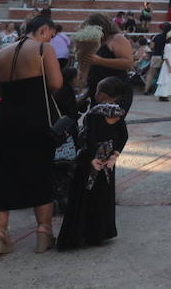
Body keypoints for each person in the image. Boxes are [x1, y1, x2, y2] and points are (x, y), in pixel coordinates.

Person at [0, 14, 63, 257]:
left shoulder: (2, 53)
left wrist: (13, 92)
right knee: (41, 171)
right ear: (43, 30)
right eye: (51, 34)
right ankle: (43, 231)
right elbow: (56, 83)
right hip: (35, 116)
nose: (51, 39)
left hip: (6, 117)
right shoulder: (43, 49)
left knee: (3, 174)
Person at [55, 75, 130, 251]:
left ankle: (79, 234)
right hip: (107, 160)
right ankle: (99, 233)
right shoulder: (119, 113)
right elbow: (124, 136)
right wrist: (114, 155)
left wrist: (91, 159)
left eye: (97, 90)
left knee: (84, 194)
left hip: (91, 159)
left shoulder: (95, 113)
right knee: (102, 194)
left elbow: (89, 139)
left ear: (102, 94)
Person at [79, 13, 135, 102]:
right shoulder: (95, 42)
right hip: (96, 90)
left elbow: (128, 63)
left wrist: (100, 61)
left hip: (114, 91)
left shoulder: (117, 38)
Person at [154, 31, 171, 101]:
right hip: (168, 65)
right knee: (166, 80)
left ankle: (169, 94)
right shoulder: (167, 46)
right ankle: (163, 95)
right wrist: (169, 67)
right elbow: (166, 57)